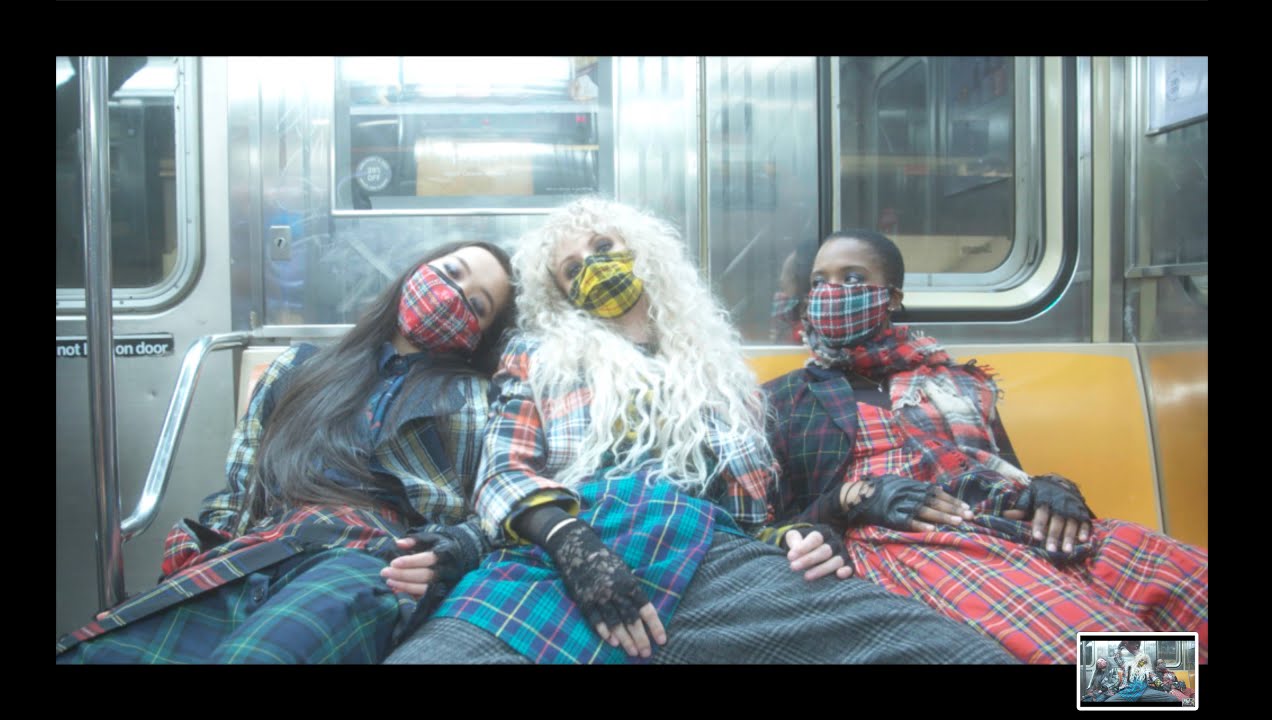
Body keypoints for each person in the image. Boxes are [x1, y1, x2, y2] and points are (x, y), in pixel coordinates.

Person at [386, 198, 1016, 664]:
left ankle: (1114, 688)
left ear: (643, 251)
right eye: (572, 269)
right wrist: (568, 541)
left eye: (603, 247)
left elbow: (760, 507)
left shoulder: (719, 369)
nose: (593, 269)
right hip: (573, 549)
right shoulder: (538, 357)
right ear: (562, 295)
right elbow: (502, 471)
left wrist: (797, 534)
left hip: (716, 555)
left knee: (957, 654)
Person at [763, 229, 1210, 664]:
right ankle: (1160, 695)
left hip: (1008, 520)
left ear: (891, 297)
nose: (832, 292)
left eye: (852, 278)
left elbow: (1007, 470)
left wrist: (1053, 490)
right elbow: (771, 526)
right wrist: (853, 499)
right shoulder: (786, 398)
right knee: (1107, 648)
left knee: (1188, 579)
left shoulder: (958, 383)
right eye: (820, 282)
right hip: (913, 540)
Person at [57, 241, 516, 663]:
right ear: (418, 270)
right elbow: (241, 485)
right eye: (450, 272)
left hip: (369, 558)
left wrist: (453, 552)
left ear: (480, 338)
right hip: (262, 547)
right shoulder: (300, 368)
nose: (452, 295)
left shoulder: (479, 401)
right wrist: (207, 541)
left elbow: (498, 510)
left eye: (476, 305)